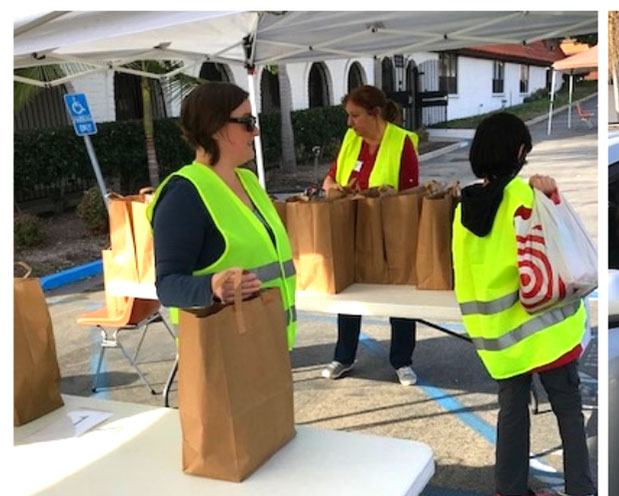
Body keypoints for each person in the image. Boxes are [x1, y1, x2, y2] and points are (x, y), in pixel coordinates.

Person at [452, 112, 597, 496]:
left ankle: (510, 494)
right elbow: (561, 244)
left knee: (511, 411)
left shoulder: (463, 209)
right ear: (518, 153)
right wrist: (551, 196)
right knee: (568, 408)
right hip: (546, 329)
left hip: (499, 336)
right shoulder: (526, 195)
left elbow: (462, 272)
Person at [149, 82, 296, 348]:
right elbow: (167, 286)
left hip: (271, 346)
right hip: (224, 356)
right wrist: (211, 287)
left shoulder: (249, 181)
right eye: (248, 122)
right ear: (216, 127)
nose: (257, 131)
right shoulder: (183, 196)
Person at [320, 85, 422, 385]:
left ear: (375, 114)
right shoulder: (352, 140)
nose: (349, 123)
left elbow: (412, 192)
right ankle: (344, 356)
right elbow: (330, 178)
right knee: (349, 293)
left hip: (393, 230)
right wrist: (334, 189)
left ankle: (402, 360)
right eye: (348, 116)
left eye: (355, 116)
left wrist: (386, 196)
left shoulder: (402, 141)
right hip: (352, 228)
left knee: (400, 294)